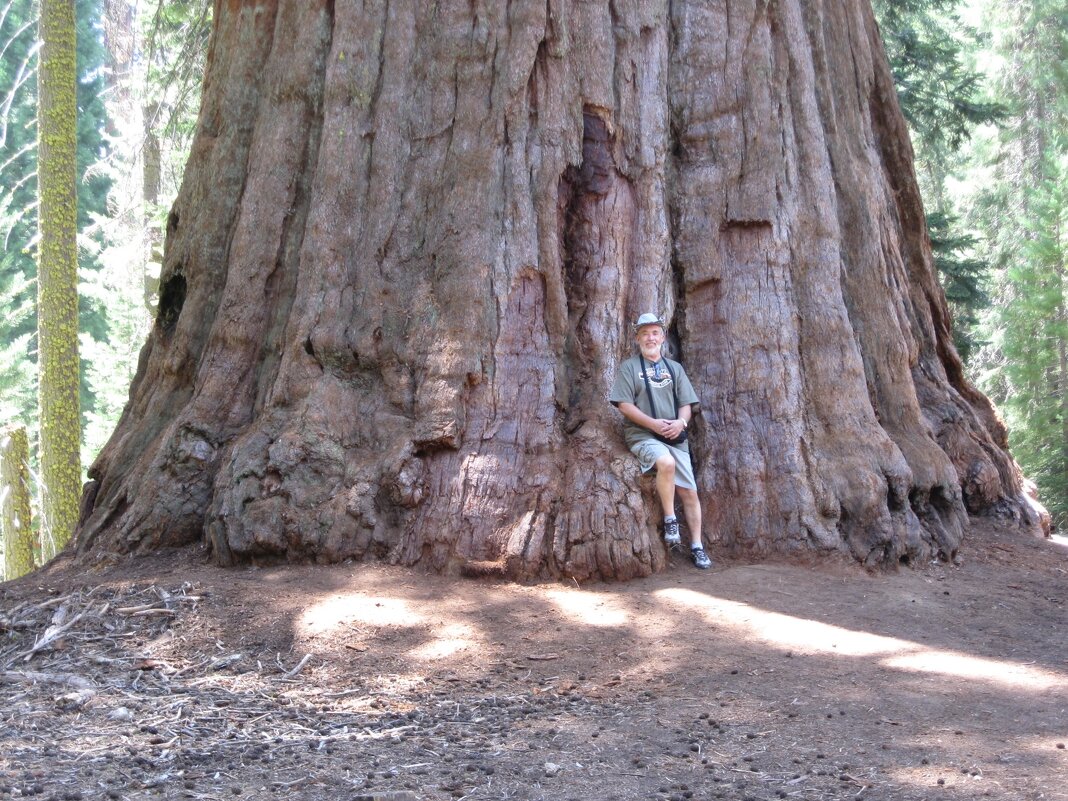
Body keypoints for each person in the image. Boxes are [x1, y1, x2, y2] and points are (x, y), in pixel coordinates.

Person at [609, 313, 711, 569]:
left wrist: (680, 423)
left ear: (663, 337)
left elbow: (687, 404)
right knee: (665, 463)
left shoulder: (674, 369)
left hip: (675, 435)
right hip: (643, 434)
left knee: (689, 491)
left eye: (654, 332)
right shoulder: (629, 367)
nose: (650, 337)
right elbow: (624, 404)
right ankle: (670, 519)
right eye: (644, 333)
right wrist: (653, 424)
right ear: (637, 338)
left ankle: (697, 546)